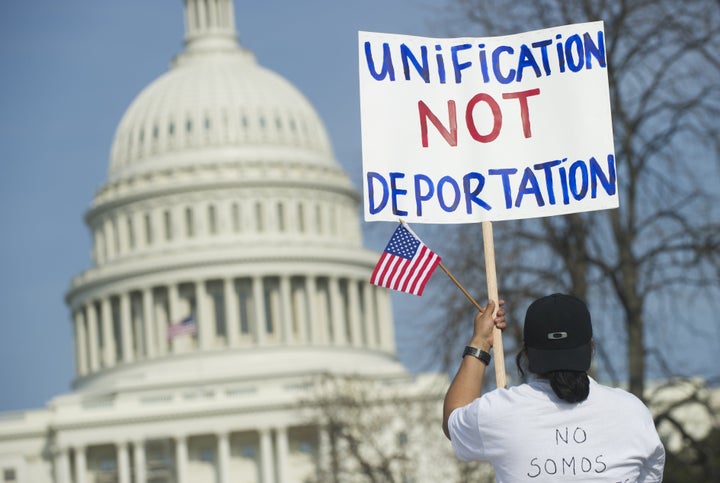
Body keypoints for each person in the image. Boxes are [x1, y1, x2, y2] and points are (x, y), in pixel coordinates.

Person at [443, 293, 665, 482]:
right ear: (590, 347)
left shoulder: (501, 413)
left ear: (527, 353)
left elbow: (453, 419)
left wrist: (480, 341)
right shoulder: (632, 412)